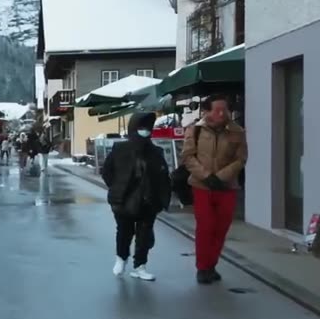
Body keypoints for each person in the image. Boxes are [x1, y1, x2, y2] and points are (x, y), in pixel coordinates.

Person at [181, 94, 248, 285]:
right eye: (217, 110)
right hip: (202, 186)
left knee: (221, 228)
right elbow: (187, 157)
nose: (221, 113)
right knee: (206, 226)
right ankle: (202, 267)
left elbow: (241, 158)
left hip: (227, 187)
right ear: (206, 111)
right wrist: (206, 176)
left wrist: (221, 177)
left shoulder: (237, 131)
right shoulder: (195, 130)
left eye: (224, 110)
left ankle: (211, 265)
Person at [100, 112, 172, 281]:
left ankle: (140, 266)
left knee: (144, 233)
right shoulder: (120, 149)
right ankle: (121, 258)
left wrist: (162, 198)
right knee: (124, 231)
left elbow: (163, 176)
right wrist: (117, 187)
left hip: (148, 200)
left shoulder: (156, 152)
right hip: (123, 199)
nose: (145, 131)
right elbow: (107, 172)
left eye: (148, 128)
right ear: (133, 128)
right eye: (141, 127)